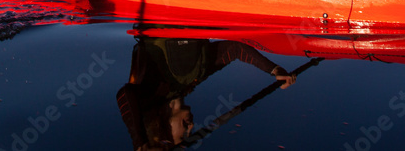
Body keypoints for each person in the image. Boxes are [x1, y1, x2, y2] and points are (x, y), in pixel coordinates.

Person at [117, 33, 295, 150]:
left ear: (162, 128)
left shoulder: (152, 87)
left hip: (168, 1)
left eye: (183, 135)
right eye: (190, 133)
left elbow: (125, 95)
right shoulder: (195, 77)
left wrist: (140, 143)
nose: (191, 127)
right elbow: (235, 49)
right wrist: (274, 70)